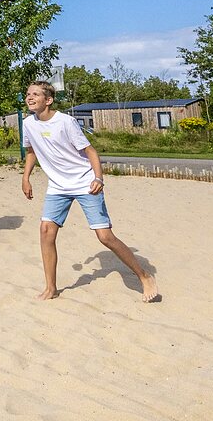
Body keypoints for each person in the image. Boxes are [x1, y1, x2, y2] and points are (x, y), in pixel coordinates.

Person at [21, 81, 158, 302]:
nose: (29, 97)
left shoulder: (66, 122)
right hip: (58, 186)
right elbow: (31, 151)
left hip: (85, 181)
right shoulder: (28, 124)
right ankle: (51, 288)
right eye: (28, 94)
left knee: (104, 237)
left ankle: (144, 276)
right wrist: (25, 177)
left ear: (48, 100)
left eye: (35, 94)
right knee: (46, 231)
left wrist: (98, 178)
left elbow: (90, 151)